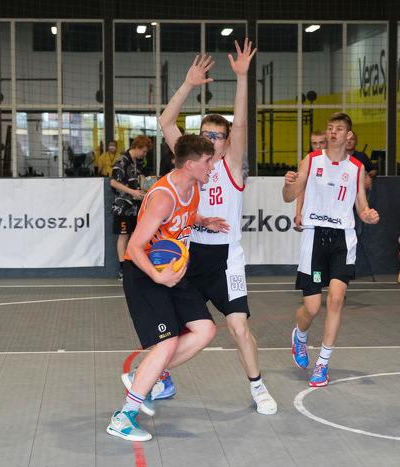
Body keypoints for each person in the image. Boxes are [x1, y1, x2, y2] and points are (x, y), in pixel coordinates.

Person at [160, 41, 277, 415]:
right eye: (206, 135)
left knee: (239, 327)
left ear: (227, 143)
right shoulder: (192, 163)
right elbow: (166, 123)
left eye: (218, 136)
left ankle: (258, 387)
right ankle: (159, 377)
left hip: (227, 260)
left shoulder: (232, 166)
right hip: (189, 255)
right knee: (176, 330)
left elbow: (240, 123)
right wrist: (187, 84)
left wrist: (242, 77)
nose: (211, 141)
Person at [106, 134, 228, 442]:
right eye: (207, 161)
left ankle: (142, 376)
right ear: (190, 165)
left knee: (205, 330)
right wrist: (157, 277)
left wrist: (203, 221)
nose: (212, 167)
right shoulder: (163, 197)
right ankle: (123, 417)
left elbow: (185, 215)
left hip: (171, 272)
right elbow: (134, 247)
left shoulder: (192, 188)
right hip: (145, 273)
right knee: (167, 343)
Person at [283, 112, 379, 387]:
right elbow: (289, 196)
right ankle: (300, 336)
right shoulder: (311, 160)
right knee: (312, 308)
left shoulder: (357, 168)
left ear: (349, 136)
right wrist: (287, 185)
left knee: (336, 300)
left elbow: (361, 205)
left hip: (342, 240)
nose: (333, 132)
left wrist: (368, 214)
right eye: (330, 128)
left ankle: (322, 364)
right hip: (315, 238)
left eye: (339, 128)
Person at [111, 135, 152, 280]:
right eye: (143, 151)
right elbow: (114, 182)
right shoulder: (122, 160)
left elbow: (139, 178)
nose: (144, 154)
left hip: (136, 207)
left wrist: (147, 186)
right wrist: (132, 192)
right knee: (123, 235)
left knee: (136, 236)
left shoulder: (138, 162)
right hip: (123, 206)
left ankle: (133, 265)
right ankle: (122, 268)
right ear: (137, 147)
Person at [295, 131, 327, 231]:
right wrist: (298, 213)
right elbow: (301, 189)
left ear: (328, 142)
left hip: (334, 214)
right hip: (312, 213)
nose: (318, 146)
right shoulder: (306, 162)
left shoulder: (339, 160)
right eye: (314, 143)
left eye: (321, 142)